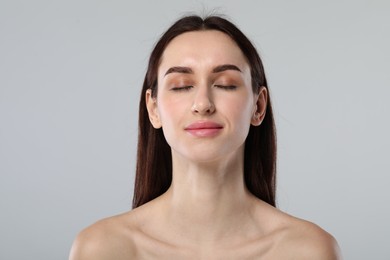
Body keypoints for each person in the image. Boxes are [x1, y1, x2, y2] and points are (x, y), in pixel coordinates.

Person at [70, 14, 341, 259]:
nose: (202, 103)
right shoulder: (102, 249)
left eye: (225, 84)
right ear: (153, 109)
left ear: (258, 107)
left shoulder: (308, 251)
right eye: (182, 86)